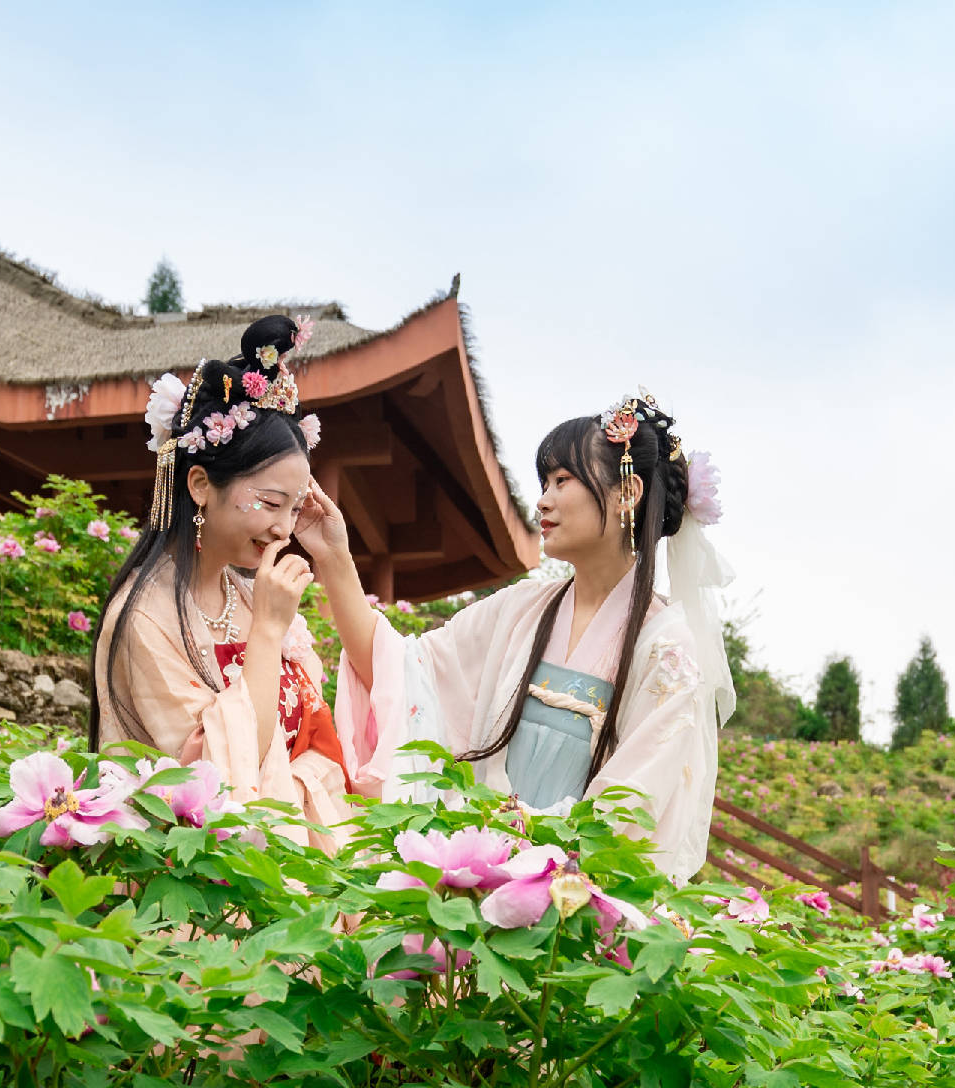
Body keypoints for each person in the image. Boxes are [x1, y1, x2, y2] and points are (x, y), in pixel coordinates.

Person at [304, 392, 732, 880]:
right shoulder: (521, 609)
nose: (543, 500)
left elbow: (631, 811)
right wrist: (335, 555)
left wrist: (522, 849)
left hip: (574, 904)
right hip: (476, 879)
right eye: (544, 482)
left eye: (562, 480)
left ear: (627, 493)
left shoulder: (667, 649)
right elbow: (399, 672)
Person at [90, 314, 375, 846]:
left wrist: (333, 555)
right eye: (269, 503)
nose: (284, 529)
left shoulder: (244, 595)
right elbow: (212, 782)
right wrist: (267, 631)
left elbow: (313, 734)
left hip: (298, 852)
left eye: (294, 507)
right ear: (200, 484)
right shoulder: (146, 616)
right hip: (207, 888)